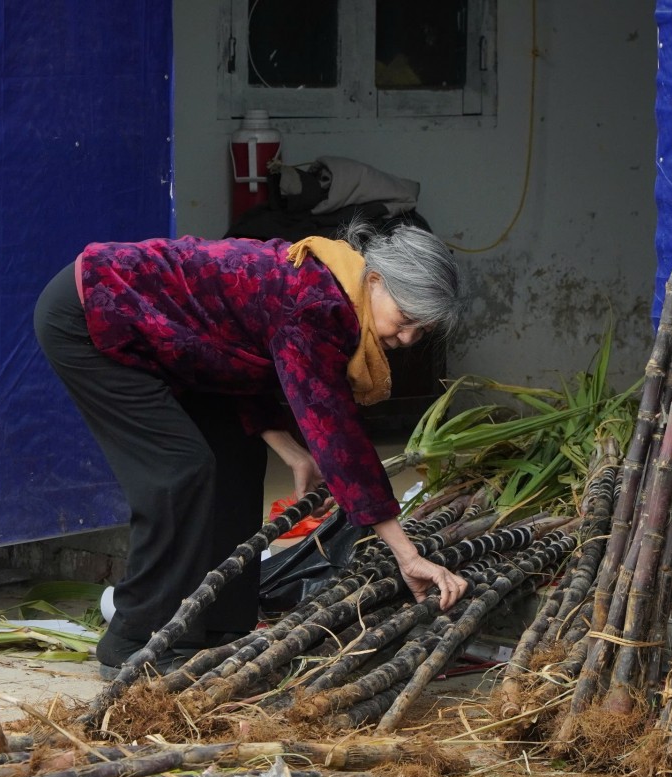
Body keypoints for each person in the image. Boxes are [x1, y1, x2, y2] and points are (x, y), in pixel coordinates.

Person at [33, 221, 470, 677]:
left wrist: (292, 450)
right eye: (404, 323)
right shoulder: (320, 301)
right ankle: (134, 639)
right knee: (179, 472)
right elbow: (338, 437)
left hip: (176, 344)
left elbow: (237, 355)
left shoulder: (339, 290)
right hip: (94, 313)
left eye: (419, 332)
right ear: (376, 282)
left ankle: (220, 626)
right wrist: (407, 554)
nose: (405, 341)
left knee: (237, 459)